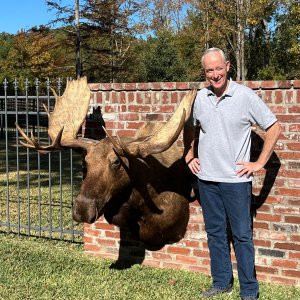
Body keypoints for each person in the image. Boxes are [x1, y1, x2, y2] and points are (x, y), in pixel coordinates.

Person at [184, 48, 281, 300]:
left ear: (228, 66)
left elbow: (274, 127)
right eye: (209, 70)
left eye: (218, 68)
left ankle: (249, 290)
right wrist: (189, 155)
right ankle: (221, 282)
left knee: (241, 236)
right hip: (207, 180)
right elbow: (190, 128)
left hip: (236, 182)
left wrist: (258, 163)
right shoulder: (200, 98)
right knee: (215, 234)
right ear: (204, 73)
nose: (214, 75)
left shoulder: (245, 97)